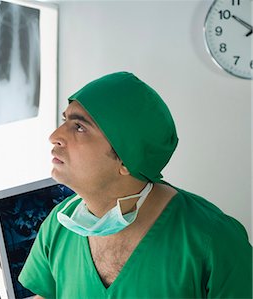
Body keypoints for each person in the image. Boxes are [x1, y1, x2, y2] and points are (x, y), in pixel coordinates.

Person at [18, 71, 252, 298]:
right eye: (64, 120)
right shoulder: (59, 224)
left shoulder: (213, 240)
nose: (54, 136)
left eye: (79, 127)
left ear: (126, 159)